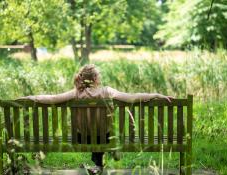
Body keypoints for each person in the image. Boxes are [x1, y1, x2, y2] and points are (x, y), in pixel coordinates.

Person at [18, 64, 173, 174]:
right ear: (94, 79)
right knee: (102, 133)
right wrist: (155, 95)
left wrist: (30, 97)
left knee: (90, 132)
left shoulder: (76, 93)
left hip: (81, 138)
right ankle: (99, 164)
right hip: (105, 138)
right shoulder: (107, 91)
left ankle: (98, 165)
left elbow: (51, 99)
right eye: (99, 74)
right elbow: (132, 98)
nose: (100, 76)